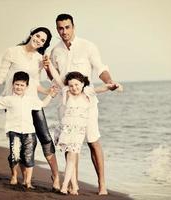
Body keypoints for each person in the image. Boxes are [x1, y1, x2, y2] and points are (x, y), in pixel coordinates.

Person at [0, 27, 61, 191]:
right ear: (32, 34)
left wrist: (48, 91)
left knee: (45, 137)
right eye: (38, 36)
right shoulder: (12, 52)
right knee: (21, 138)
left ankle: (55, 176)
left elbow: (35, 83)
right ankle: (24, 178)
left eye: (43, 40)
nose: (39, 40)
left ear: (44, 44)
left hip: (32, 101)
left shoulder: (40, 59)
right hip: (13, 101)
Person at [43, 13, 122, 195]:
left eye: (67, 27)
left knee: (93, 141)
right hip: (66, 105)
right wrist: (47, 68)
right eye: (60, 28)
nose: (64, 31)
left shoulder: (88, 46)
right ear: (57, 30)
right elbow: (55, 79)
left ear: (73, 27)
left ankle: (102, 185)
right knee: (70, 143)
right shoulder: (55, 51)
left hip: (87, 103)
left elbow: (101, 69)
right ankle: (73, 184)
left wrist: (110, 82)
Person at [0, 71, 58, 189]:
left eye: (22, 85)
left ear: (27, 87)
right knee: (15, 156)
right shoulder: (9, 99)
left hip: (29, 132)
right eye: (17, 84)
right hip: (14, 131)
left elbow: (42, 104)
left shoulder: (30, 100)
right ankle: (14, 175)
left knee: (28, 157)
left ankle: (28, 182)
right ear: (13, 84)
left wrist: (50, 95)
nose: (19, 87)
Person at [53, 71, 119, 195]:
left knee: (71, 157)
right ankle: (67, 186)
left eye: (77, 85)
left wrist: (113, 86)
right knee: (70, 156)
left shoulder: (87, 93)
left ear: (83, 84)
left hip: (78, 132)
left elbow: (102, 88)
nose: (74, 87)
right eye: (71, 85)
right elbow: (57, 78)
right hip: (66, 130)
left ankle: (69, 186)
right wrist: (49, 64)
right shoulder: (67, 92)